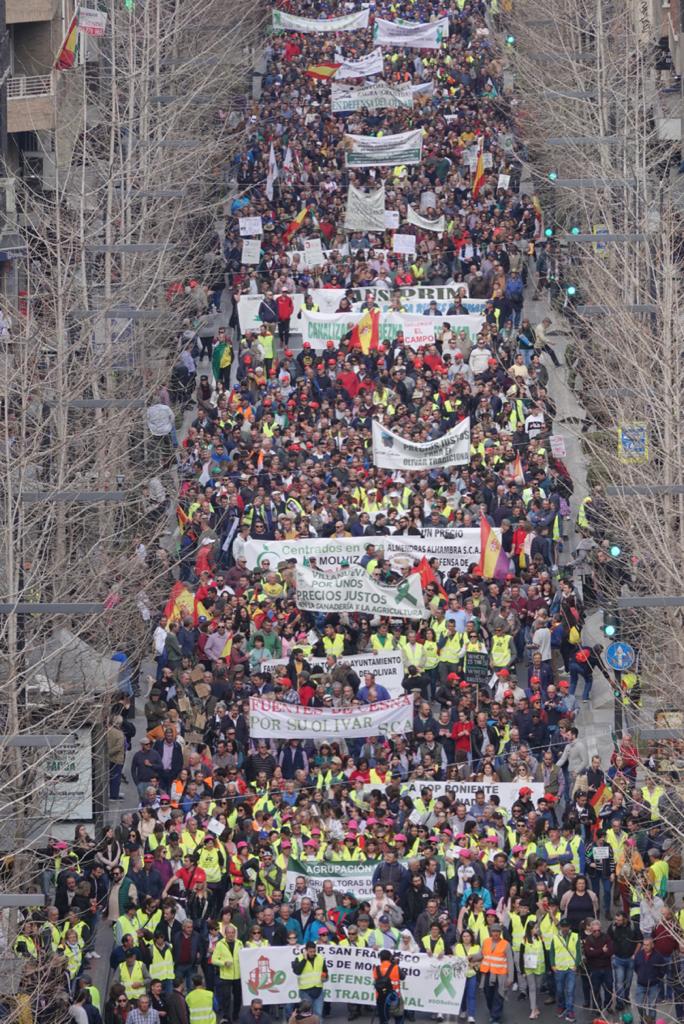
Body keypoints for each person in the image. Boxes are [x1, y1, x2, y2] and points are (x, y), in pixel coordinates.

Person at [479, 920, 513, 1024]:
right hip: (487, 974)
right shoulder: (486, 942)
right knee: (488, 995)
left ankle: (495, 1017)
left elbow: (510, 961)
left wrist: (510, 977)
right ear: (490, 932)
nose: (496, 933)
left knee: (498, 996)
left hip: (500, 975)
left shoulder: (505, 944)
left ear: (500, 932)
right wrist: (471, 957)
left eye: (498, 931)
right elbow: (481, 955)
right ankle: (493, 1012)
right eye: (493, 931)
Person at [550, 918, 581, 1023]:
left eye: (566, 926)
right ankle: (561, 1006)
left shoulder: (575, 936)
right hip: (559, 968)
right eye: (563, 926)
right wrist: (553, 965)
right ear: (560, 927)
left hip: (571, 968)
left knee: (570, 990)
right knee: (559, 990)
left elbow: (578, 951)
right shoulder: (555, 938)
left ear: (569, 927)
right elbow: (552, 952)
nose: (565, 928)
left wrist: (576, 964)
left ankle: (570, 1011)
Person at [292, 941, 328, 1019]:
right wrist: (304, 959)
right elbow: (297, 971)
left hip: (318, 990)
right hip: (305, 991)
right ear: (306, 950)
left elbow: (325, 971)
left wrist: (324, 976)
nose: (312, 953)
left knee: (318, 1014)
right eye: (310, 951)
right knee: (307, 1015)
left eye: (314, 951)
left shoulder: (320, 958)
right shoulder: (299, 958)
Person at [372, 950, 403, 1024]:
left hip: (381, 997)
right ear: (390, 957)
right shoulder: (396, 967)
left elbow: (375, 979)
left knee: (383, 1019)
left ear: (380, 958)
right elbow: (403, 977)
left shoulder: (376, 969)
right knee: (398, 1017)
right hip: (394, 996)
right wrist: (395, 964)